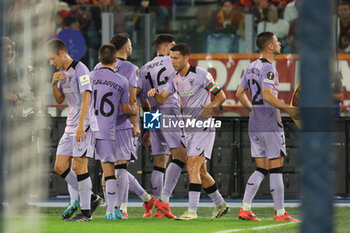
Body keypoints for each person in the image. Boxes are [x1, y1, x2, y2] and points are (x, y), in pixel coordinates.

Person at [148, 43, 230, 220]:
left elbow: (222, 95)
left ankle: (192, 211)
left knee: (192, 165)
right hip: (189, 130)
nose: (172, 61)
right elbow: (162, 99)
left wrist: (212, 105)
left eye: (176, 58)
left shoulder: (201, 75)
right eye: (171, 58)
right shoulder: (175, 78)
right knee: (201, 172)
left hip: (204, 127)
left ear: (187, 58)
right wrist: (154, 93)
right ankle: (221, 204)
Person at [236, 31, 299, 222]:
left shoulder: (250, 67)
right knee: (276, 167)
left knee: (262, 168)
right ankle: (280, 213)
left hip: (255, 123)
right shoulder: (269, 68)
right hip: (270, 123)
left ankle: (245, 208)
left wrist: (252, 110)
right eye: (277, 41)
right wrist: (289, 109)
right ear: (269, 46)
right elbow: (267, 95)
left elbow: (239, 93)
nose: (280, 43)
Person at [94, 32, 154, 219]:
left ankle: (121, 207)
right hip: (124, 124)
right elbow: (139, 102)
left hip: (102, 126)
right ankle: (129, 205)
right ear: (127, 49)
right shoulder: (133, 69)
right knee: (121, 167)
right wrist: (151, 128)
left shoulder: (97, 67)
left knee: (111, 169)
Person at [46, 38, 102, 222]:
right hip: (70, 125)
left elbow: (87, 96)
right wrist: (53, 84)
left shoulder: (81, 69)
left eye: (52, 58)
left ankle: (86, 213)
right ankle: (91, 198)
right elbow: (60, 100)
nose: (51, 63)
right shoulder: (62, 73)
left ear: (62, 53)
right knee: (60, 167)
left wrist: (80, 124)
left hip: (83, 124)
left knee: (79, 167)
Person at [138, 34, 187, 218]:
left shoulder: (144, 69)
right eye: (173, 47)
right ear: (166, 46)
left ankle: (158, 207)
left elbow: (143, 100)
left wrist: (149, 127)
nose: (176, 51)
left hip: (153, 113)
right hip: (170, 110)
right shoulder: (173, 62)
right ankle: (163, 202)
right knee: (180, 156)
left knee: (159, 162)